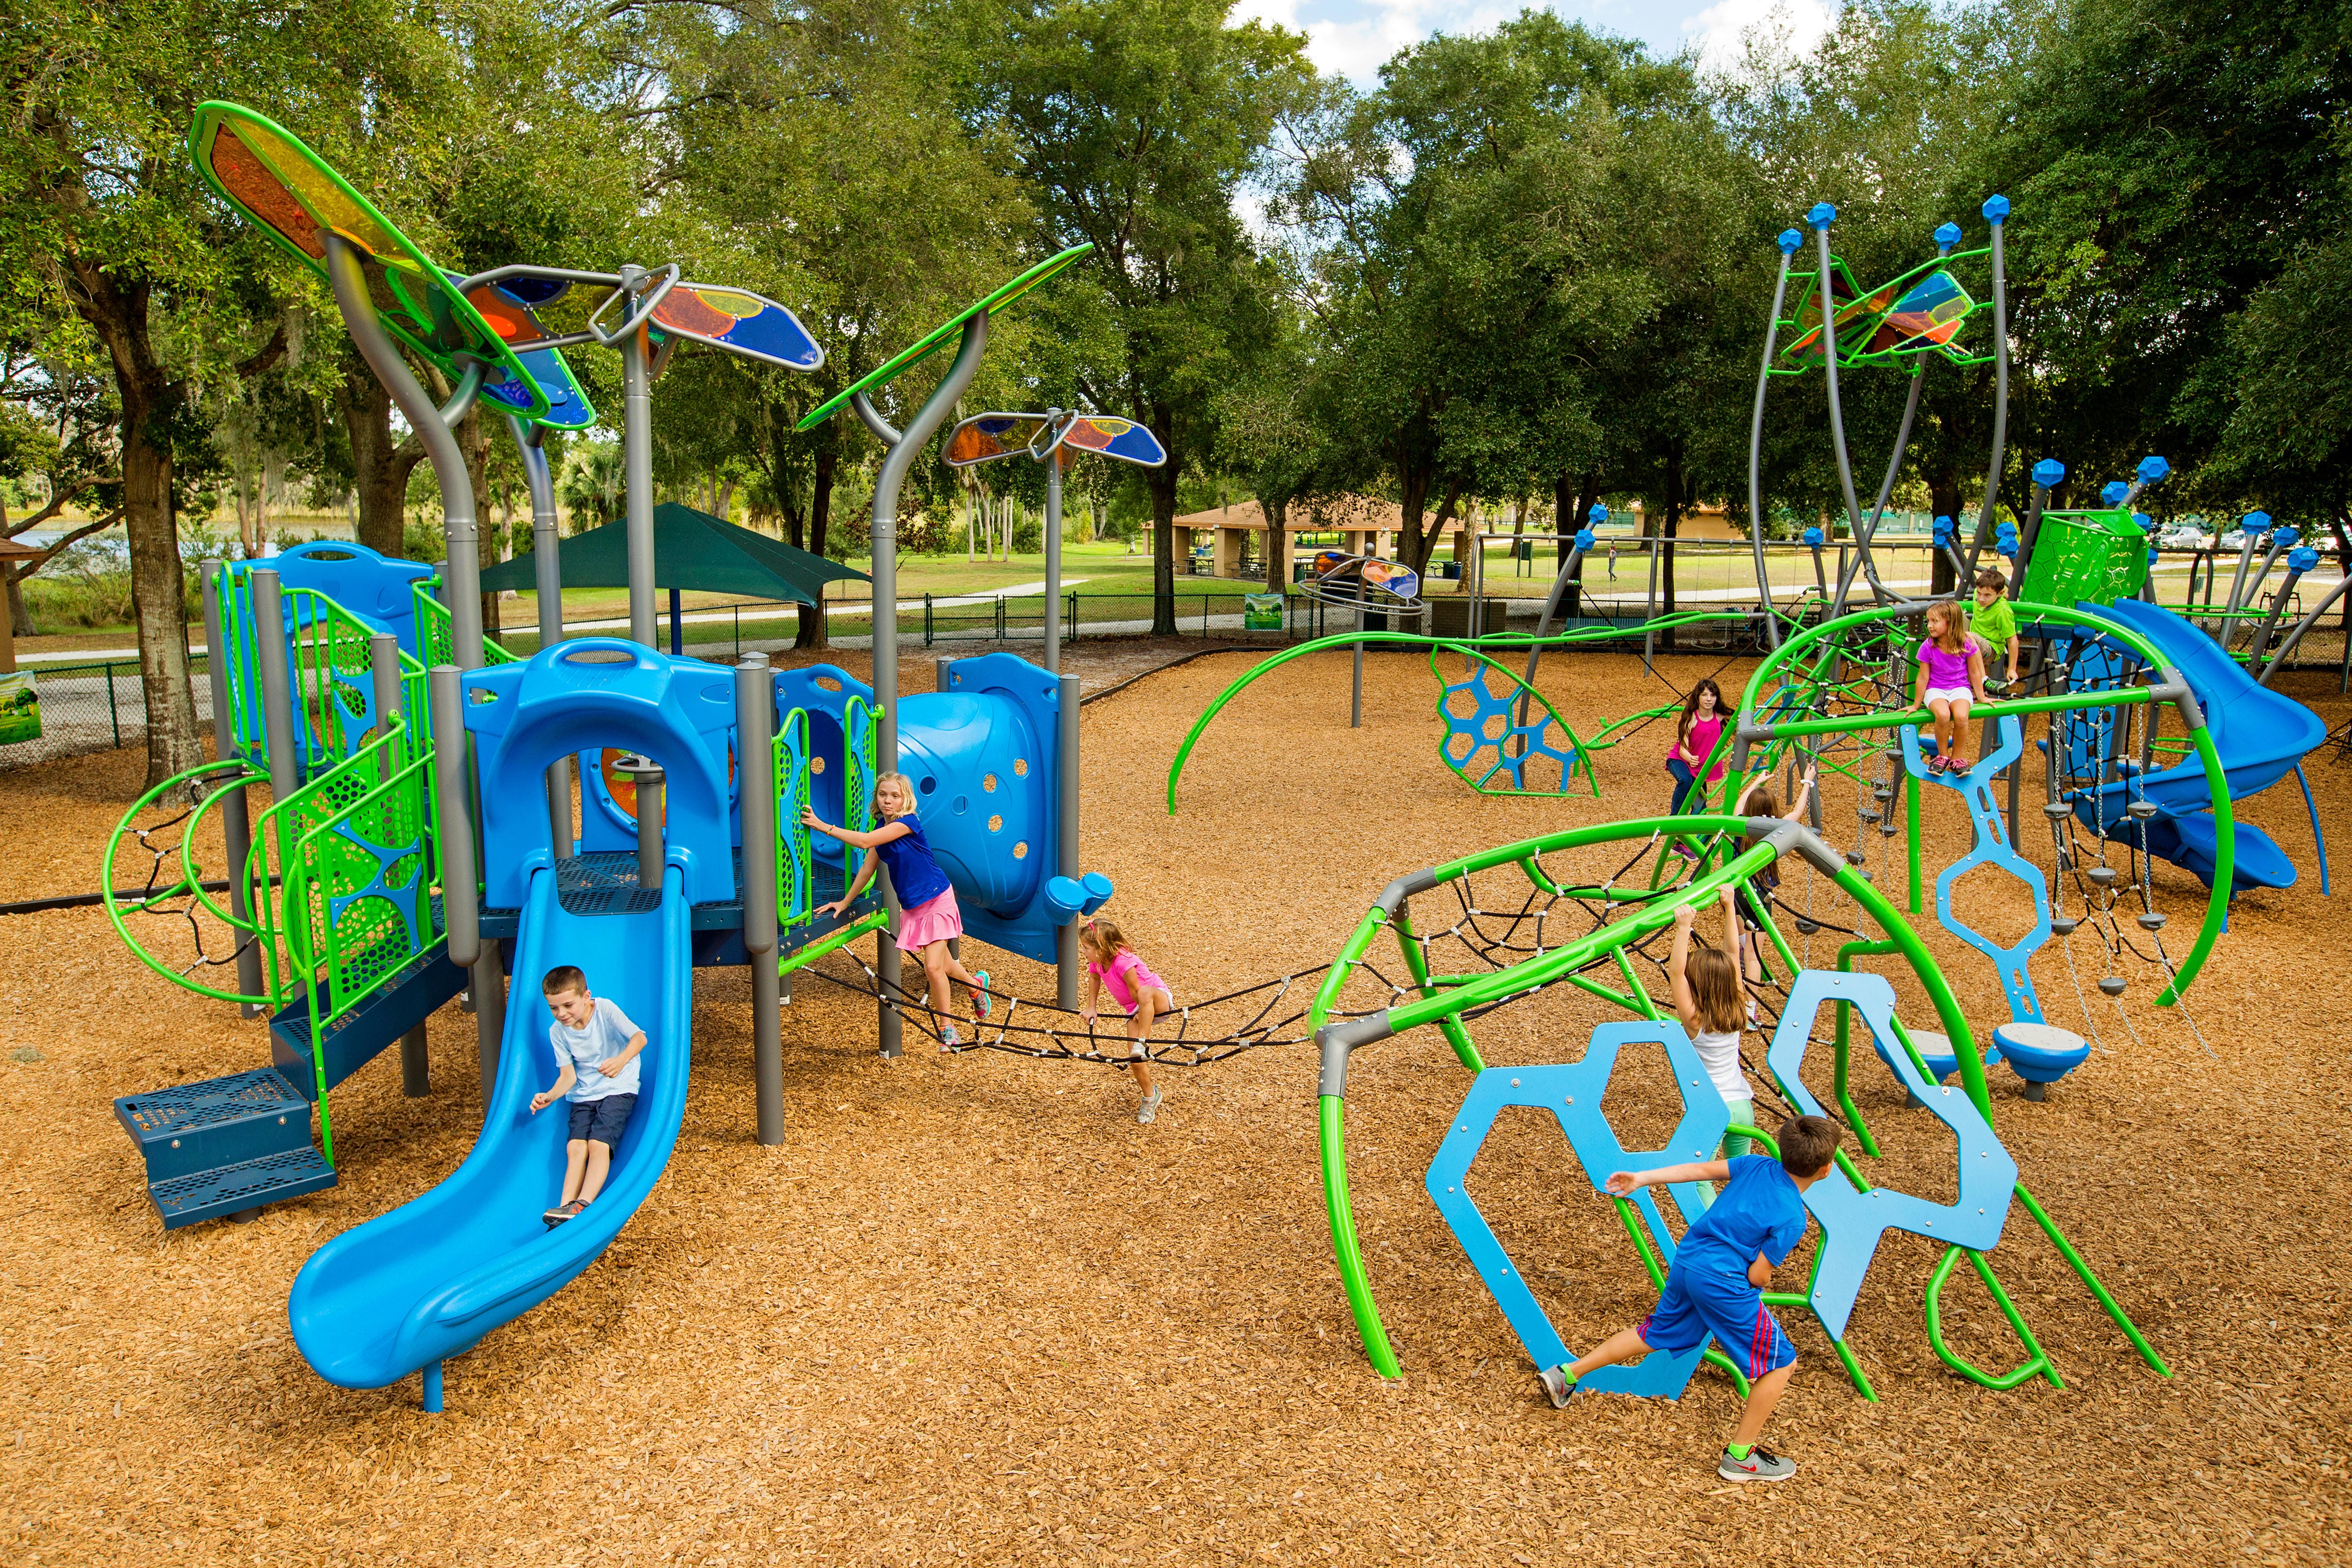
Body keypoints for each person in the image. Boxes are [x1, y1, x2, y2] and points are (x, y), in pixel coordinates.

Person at [1538, 1114, 1845, 1484]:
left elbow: (1700, 1170)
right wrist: (1755, 1286)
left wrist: (1643, 1178)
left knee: (1655, 1332)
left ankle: (1566, 1374)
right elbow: (1757, 1275)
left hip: (1690, 1262)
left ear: (1782, 1150)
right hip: (1724, 1282)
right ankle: (1740, 1457)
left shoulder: (1755, 1165)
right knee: (1781, 1365)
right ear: (1826, 1170)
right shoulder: (1793, 1217)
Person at [806, 773, 991, 1049]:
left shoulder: (908, 824)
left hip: (937, 898)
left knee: (932, 967)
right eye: (883, 795)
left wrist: (824, 827)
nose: (888, 801)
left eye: (895, 795)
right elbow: (867, 869)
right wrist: (844, 902)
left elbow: (866, 842)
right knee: (942, 963)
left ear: (906, 799)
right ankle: (976, 986)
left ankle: (947, 1028)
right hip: (914, 907)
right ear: (877, 798)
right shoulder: (882, 827)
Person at [530, 965, 647, 1227]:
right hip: (584, 1093)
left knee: (598, 1145)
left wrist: (620, 1061)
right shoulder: (557, 1032)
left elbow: (639, 1039)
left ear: (586, 996)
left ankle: (582, 1205)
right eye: (554, 1008)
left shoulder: (604, 1010)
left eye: (568, 1005)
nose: (561, 1014)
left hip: (619, 1088)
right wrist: (550, 1096)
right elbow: (568, 1078)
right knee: (575, 1147)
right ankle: (563, 1210)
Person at [1669, 890, 1758, 1188]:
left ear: (1698, 986)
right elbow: (1734, 955)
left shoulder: (1696, 1021)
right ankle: (1741, 1230)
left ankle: (1714, 1235)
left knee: (1698, 1182)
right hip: (1742, 1107)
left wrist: (1684, 928)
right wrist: (1729, 906)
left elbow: (1676, 973)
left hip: (1710, 1108)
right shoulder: (1739, 1008)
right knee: (1740, 1179)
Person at [1730, 765, 1817, 1026]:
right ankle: (1750, 1010)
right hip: (1761, 897)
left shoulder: (1741, 826)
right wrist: (1807, 782)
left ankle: (1733, 1003)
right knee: (1754, 956)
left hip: (1738, 893)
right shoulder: (1779, 830)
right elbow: (1798, 812)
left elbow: (1738, 805)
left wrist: (1757, 781)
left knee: (1736, 949)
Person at [1079, 917, 1171, 1124]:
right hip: (1135, 1010)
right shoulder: (1098, 962)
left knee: (1145, 992)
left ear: (1101, 948)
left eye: (1086, 948)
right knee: (1134, 1060)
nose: (1083, 952)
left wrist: (1142, 1012)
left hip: (1158, 1001)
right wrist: (1092, 1007)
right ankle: (1150, 1097)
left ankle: (1142, 1043)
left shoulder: (1124, 962)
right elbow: (1094, 979)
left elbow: (1138, 993)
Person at [1913, 599, 1988, 774]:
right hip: (1936, 689)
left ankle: (1957, 759)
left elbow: (1974, 672)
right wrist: (1916, 705)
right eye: (1928, 621)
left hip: (1960, 687)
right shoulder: (1929, 646)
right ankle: (1942, 756)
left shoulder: (1966, 644)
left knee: (1962, 716)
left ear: (1950, 623)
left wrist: (1982, 696)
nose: (1930, 626)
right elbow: (1923, 677)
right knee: (1943, 714)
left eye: (1935, 621)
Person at [1663, 679, 1730, 852]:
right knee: (1685, 781)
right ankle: (1674, 821)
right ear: (1698, 698)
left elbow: (1743, 715)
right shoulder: (1691, 718)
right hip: (1680, 761)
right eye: (1704, 695)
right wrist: (1690, 757)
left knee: (1701, 808)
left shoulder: (1719, 716)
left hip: (1701, 770)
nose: (1709, 699)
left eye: (1713, 695)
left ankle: (1684, 843)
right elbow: (1683, 747)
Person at [1969, 569, 2020, 690]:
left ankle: (1984, 680)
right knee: (1950, 614)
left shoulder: (2003, 611)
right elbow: (1986, 593)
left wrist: (2012, 668)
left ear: (2000, 594)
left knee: (1968, 637)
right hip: (1972, 642)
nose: (1981, 599)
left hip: (1991, 649)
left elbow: (2013, 641)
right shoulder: (1979, 592)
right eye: (1980, 593)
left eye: (1987, 596)